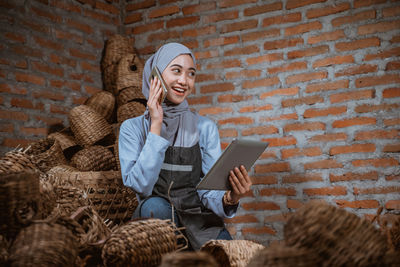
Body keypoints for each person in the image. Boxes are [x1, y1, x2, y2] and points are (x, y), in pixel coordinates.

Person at [118, 43, 252, 250]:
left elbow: (209, 192)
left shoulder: (205, 127)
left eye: (191, 74)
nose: (184, 81)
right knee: (155, 206)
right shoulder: (132, 128)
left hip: (199, 221)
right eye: (176, 71)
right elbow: (141, 186)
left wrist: (231, 198)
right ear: (156, 76)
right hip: (156, 221)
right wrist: (156, 123)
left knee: (229, 257)